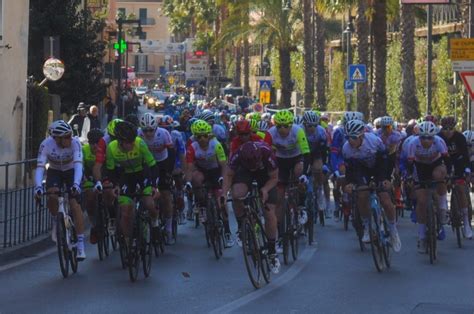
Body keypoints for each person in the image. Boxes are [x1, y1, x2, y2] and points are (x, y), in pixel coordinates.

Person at [343, 119, 402, 252]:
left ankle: (393, 231)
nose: (350, 141)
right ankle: (367, 227)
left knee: (385, 200)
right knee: (362, 195)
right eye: (348, 137)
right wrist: (349, 183)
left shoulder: (374, 141)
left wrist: (386, 179)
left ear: (362, 135)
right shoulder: (346, 148)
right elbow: (350, 170)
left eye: (354, 137)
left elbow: (386, 160)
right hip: (360, 169)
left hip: (378, 167)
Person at [222, 141, 281, 274]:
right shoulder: (237, 156)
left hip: (265, 175)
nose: (254, 166)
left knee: (269, 211)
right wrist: (224, 194)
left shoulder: (267, 153)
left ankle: (272, 251)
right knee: (237, 194)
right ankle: (242, 225)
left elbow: (274, 178)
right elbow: (229, 175)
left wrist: (265, 189)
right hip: (244, 172)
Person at [34, 120, 86, 260]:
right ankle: (56, 221)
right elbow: (40, 168)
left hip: (71, 171)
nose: (70, 138)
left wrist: (76, 184)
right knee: (51, 195)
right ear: (57, 138)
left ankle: (80, 245)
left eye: (70, 135)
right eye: (66, 136)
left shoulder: (75, 143)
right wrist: (38, 186)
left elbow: (79, 166)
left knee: (75, 205)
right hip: (54, 171)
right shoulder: (46, 145)